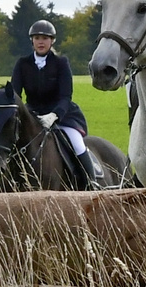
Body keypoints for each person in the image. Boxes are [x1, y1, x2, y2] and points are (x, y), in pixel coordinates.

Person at [7, 20, 105, 187]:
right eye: (37, 38)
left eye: (45, 38)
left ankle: (91, 183)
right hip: (33, 116)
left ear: (52, 41)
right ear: (32, 40)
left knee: (77, 144)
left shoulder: (61, 63)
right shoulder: (22, 64)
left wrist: (54, 115)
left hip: (62, 115)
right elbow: (15, 95)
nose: (40, 42)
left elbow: (66, 96)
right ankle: (4, 183)